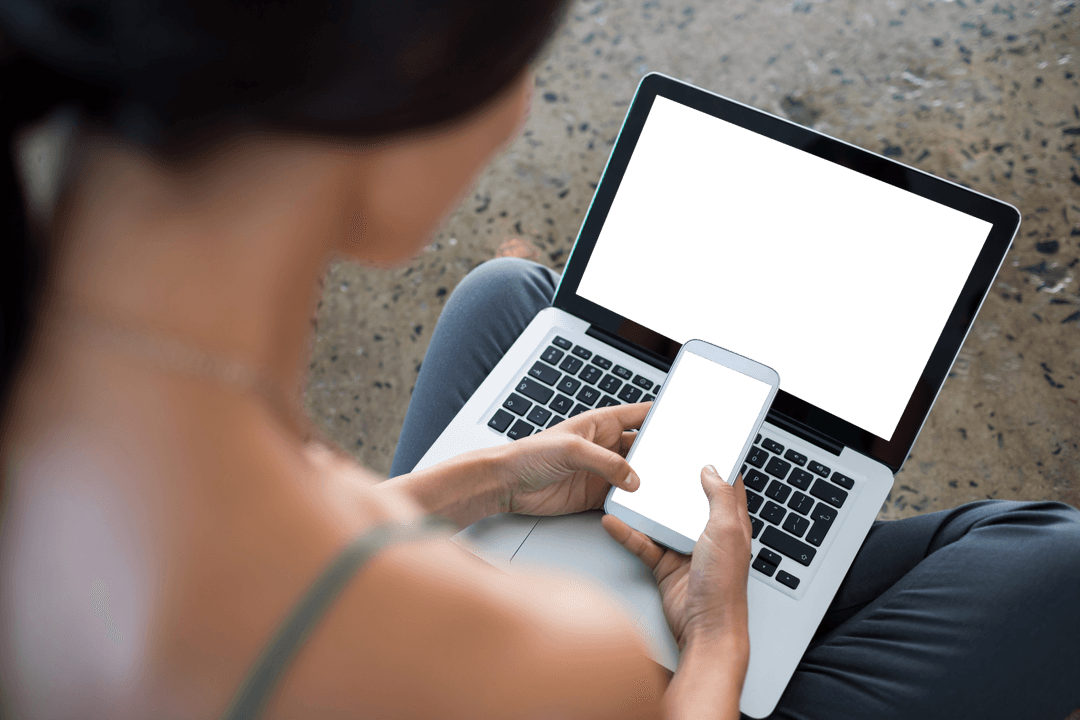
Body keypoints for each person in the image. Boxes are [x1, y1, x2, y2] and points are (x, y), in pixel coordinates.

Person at [0, 2, 1077, 720]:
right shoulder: (553, 667)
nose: (519, 114)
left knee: (509, 298)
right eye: (521, 61)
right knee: (1050, 562)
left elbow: (261, 544)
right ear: (399, 94)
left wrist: (489, 479)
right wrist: (713, 642)